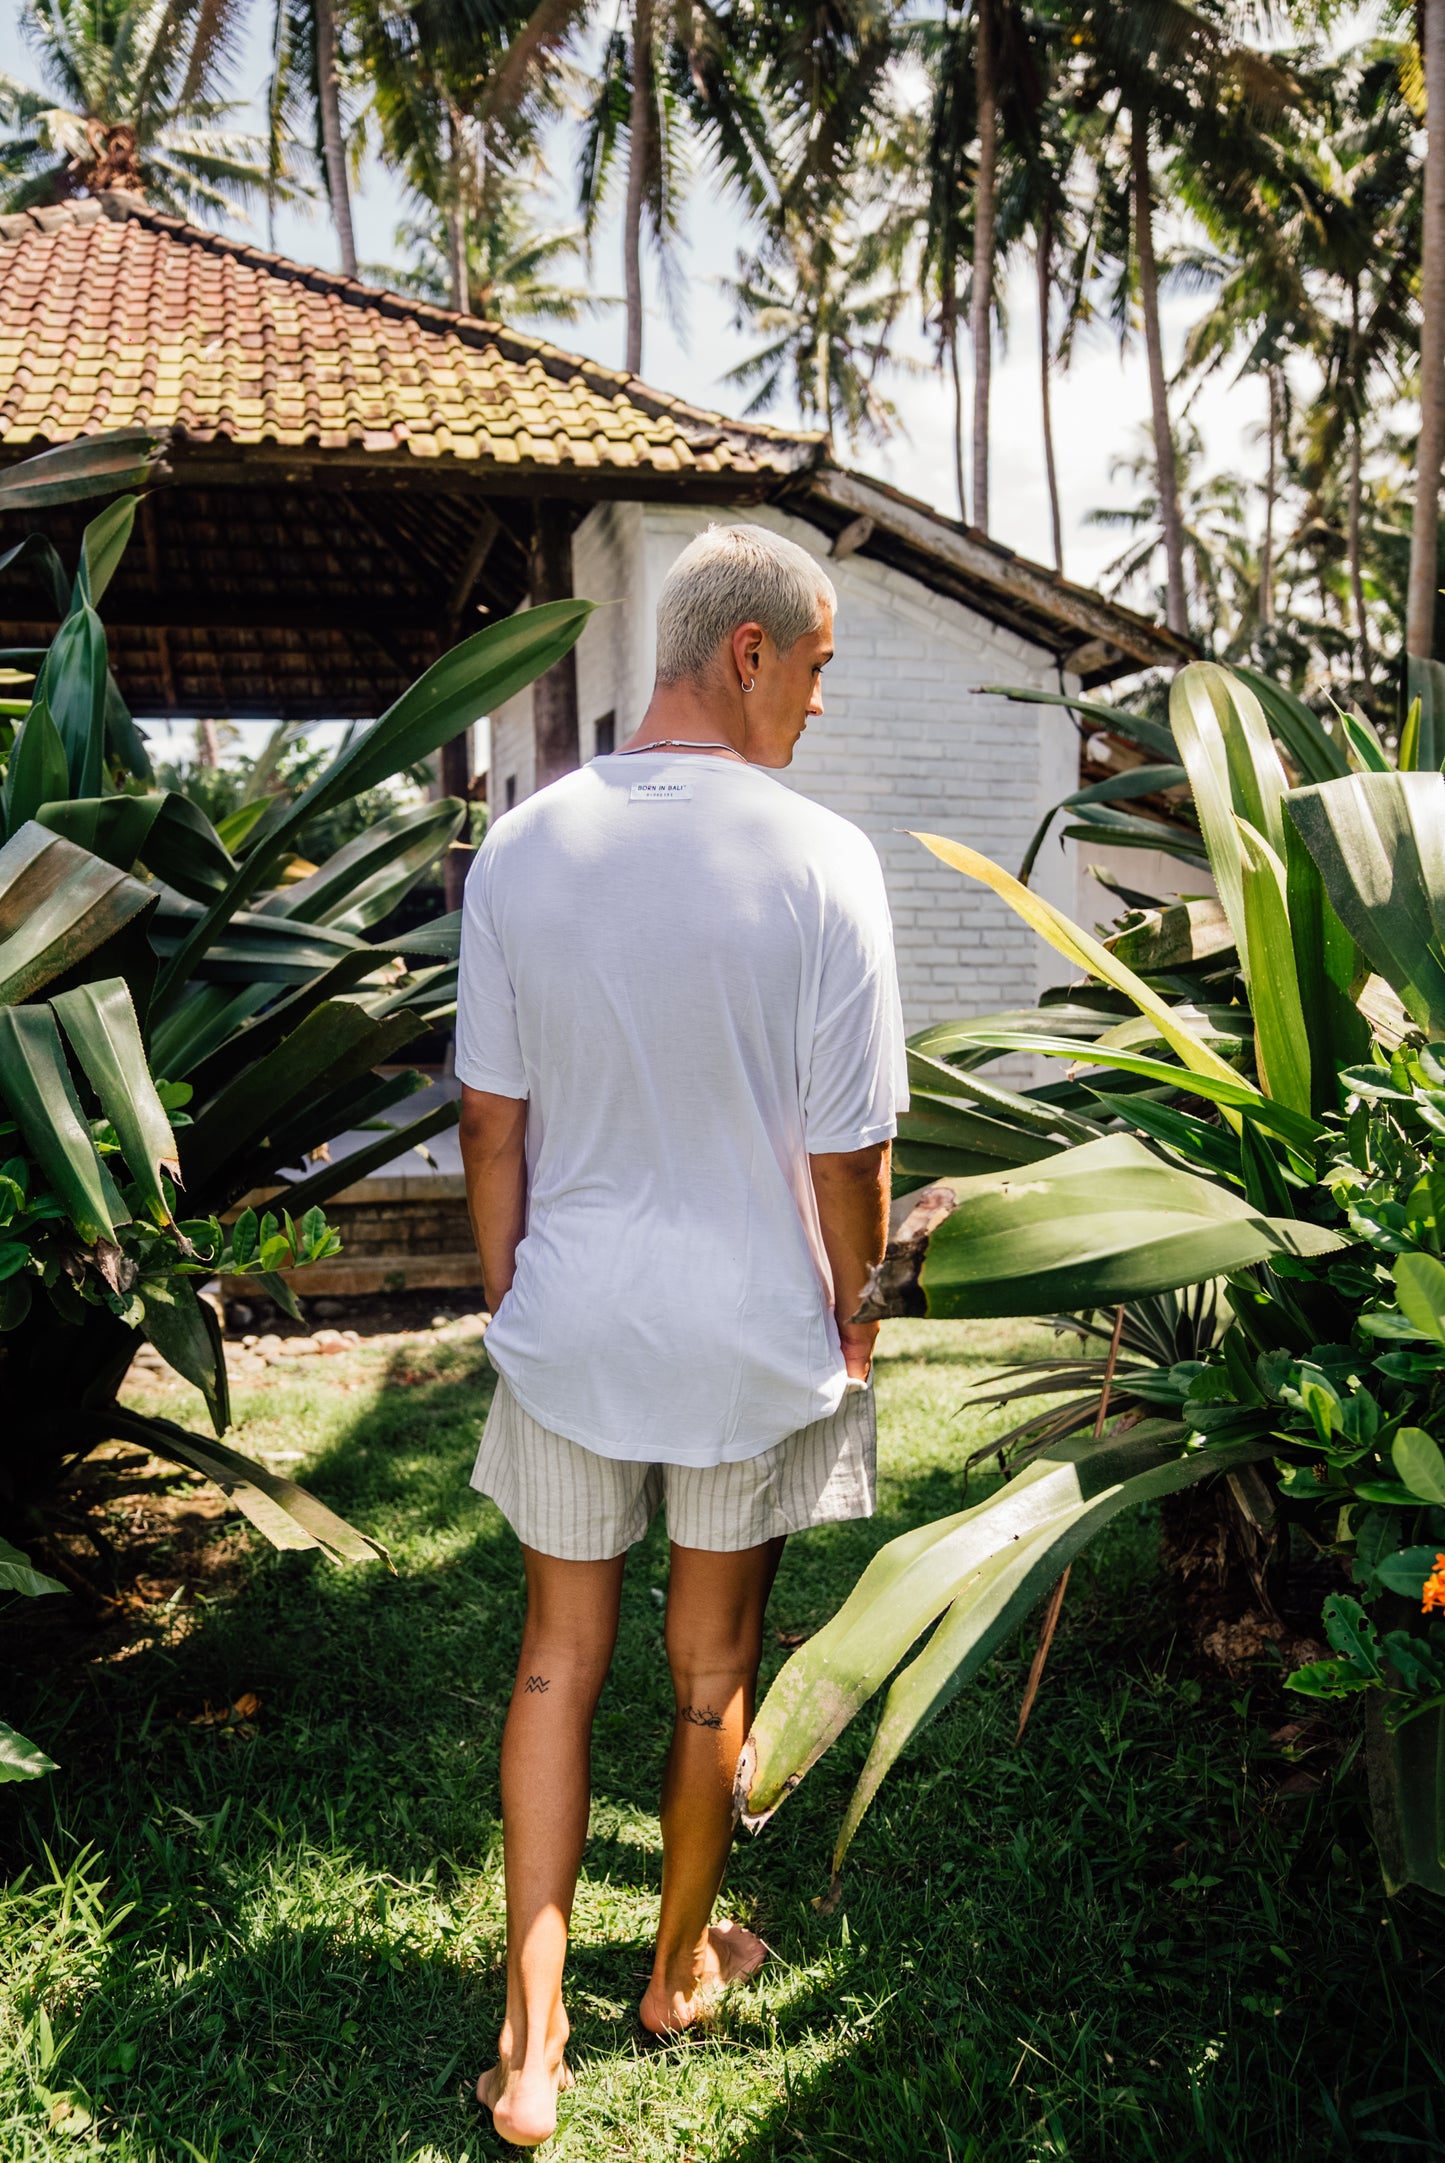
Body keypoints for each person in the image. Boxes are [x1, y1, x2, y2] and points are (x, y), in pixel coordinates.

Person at [456, 521, 907, 2147]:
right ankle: (672, 1974)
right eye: (815, 669)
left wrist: (513, 1298)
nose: (814, 707)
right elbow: (849, 1156)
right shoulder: (822, 859)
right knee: (710, 1674)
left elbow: (488, 1126)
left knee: (551, 1666)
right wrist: (857, 1320)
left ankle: (531, 2047)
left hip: (572, 1322)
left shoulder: (520, 850)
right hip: (750, 1335)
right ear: (746, 652)